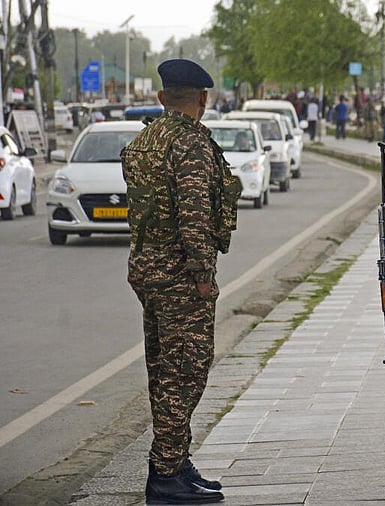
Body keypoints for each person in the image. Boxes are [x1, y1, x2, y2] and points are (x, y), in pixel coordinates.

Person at [121, 58, 241, 505]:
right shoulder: (189, 145)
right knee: (185, 371)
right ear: (203, 99)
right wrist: (203, 276)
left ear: (160, 97)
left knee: (162, 370)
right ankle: (166, 476)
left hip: (147, 272)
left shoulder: (144, 141)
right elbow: (193, 217)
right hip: (179, 277)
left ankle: (173, 461)